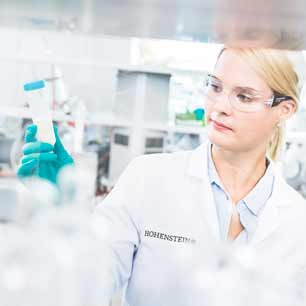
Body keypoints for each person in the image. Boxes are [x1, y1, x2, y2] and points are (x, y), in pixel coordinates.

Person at [17, 48, 306, 305]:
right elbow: (87, 286)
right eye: (215, 87)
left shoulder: (298, 223)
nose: (220, 106)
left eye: (243, 96)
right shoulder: (148, 178)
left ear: (284, 109)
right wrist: (65, 211)